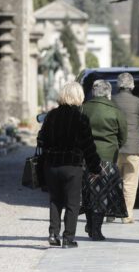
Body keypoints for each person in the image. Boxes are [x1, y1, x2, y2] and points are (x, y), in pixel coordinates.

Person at [37, 82, 102, 248]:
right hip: (72, 166)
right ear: (78, 97)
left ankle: (53, 234)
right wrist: (95, 167)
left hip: (51, 165)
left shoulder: (51, 116)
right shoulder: (81, 118)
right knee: (72, 203)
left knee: (55, 200)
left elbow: (41, 140)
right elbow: (89, 146)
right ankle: (68, 238)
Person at [82, 80, 128, 240]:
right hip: (108, 157)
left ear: (94, 92)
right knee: (102, 194)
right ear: (108, 93)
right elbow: (124, 136)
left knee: (88, 192)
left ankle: (90, 224)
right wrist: (113, 147)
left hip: (85, 157)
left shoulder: (84, 108)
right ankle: (96, 230)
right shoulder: (116, 111)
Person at [112, 72, 139, 224]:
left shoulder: (111, 100)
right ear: (132, 85)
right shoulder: (138, 102)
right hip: (133, 148)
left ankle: (111, 212)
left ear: (118, 85)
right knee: (130, 183)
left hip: (114, 148)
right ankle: (126, 216)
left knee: (112, 181)